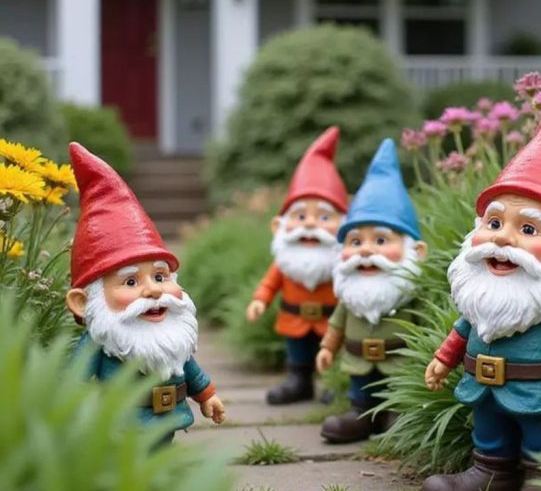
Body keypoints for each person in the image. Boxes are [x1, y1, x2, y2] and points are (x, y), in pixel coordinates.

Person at [420, 91, 541, 491]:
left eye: (528, 228)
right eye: (495, 223)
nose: (503, 239)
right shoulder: (482, 299)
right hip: (484, 388)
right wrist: (443, 360)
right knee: (490, 431)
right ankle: (491, 473)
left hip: (539, 392)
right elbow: (464, 328)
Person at [66, 142, 225, 442]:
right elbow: (73, 381)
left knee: (160, 456)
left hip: (168, 419)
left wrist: (206, 396)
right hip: (120, 425)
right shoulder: (100, 342)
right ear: (83, 303)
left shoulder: (169, 339)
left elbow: (188, 368)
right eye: (130, 282)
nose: (153, 290)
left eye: (160, 276)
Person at [318, 138, 427, 443]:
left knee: (397, 389)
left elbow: (424, 328)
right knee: (361, 390)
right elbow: (337, 324)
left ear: (415, 251)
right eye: (355, 241)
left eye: (380, 241)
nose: (365, 251)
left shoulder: (407, 296)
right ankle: (361, 415)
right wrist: (328, 347)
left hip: (399, 363)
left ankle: (399, 414)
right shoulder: (351, 296)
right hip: (358, 361)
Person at [246, 127, 348, 404]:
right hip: (294, 319)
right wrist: (260, 301)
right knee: (298, 353)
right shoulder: (286, 261)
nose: (311, 224)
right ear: (278, 226)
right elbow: (270, 283)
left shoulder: (340, 262)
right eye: (300, 215)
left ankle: (333, 383)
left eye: (324, 217)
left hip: (331, 321)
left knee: (333, 351)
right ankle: (299, 381)